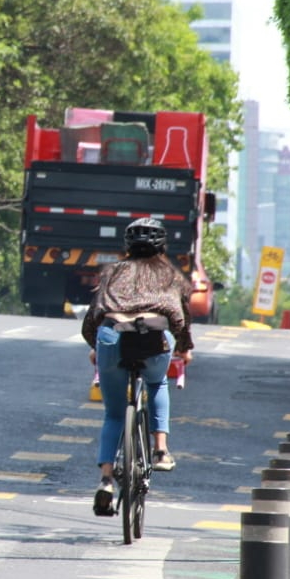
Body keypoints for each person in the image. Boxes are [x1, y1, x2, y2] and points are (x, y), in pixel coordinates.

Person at [80, 217, 194, 517]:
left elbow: (93, 317)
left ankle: (106, 479)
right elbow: (181, 319)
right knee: (157, 384)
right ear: (163, 245)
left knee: (114, 414)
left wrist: (96, 347)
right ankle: (160, 450)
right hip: (153, 339)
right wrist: (184, 347)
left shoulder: (112, 271)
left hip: (110, 336)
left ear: (127, 246)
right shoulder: (170, 275)